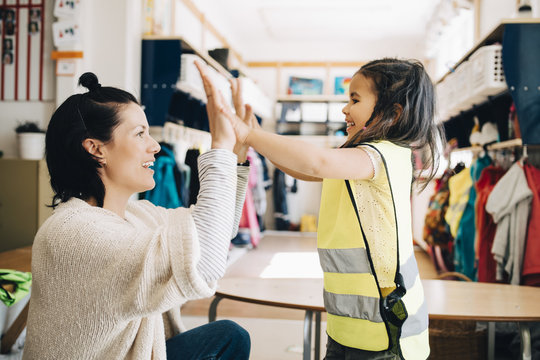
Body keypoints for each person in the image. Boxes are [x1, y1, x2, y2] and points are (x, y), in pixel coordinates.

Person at [197, 58, 442, 360]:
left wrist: (251, 136)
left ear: (392, 113)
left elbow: (316, 161)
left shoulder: (384, 155)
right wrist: (256, 138)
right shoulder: (356, 155)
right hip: (347, 328)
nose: (345, 108)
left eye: (355, 99)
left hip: (388, 333)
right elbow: (305, 169)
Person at [23, 71, 252, 360]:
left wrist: (236, 156)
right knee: (229, 337)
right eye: (140, 134)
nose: (155, 146)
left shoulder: (133, 215)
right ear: (95, 149)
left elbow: (217, 232)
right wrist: (219, 147)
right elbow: (206, 261)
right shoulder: (75, 232)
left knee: (227, 337)